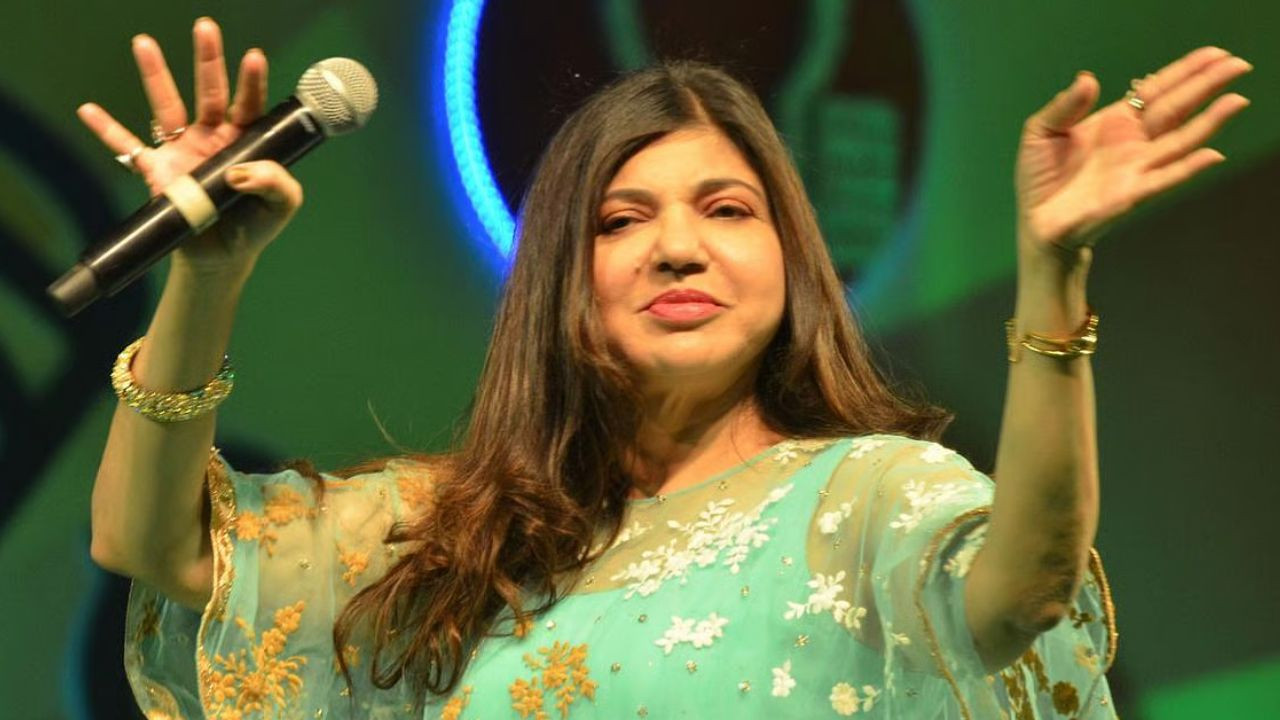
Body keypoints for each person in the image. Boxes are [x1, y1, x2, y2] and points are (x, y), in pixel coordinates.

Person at [84, 16, 1251, 720]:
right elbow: (153, 544)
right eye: (619, 220)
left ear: (790, 259)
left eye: (726, 209)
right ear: (560, 277)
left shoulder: (868, 500)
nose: (677, 247)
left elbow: (1025, 589)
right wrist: (207, 273)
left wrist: (1050, 277)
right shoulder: (451, 534)